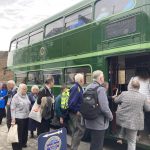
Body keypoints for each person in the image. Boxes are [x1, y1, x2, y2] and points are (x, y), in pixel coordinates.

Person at [114, 79, 150, 150]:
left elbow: (116, 101)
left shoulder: (124, 93)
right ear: (138, 87)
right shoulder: (143, 97)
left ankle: (120, 138)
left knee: (125, 128)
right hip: (134, 123)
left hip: (123, 120)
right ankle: (121, 138)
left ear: (130, 86)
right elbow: (148, 109)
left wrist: (115, 97)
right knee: (132, 142)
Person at [84, 70, 113, 150]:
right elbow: (105, 108)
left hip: (89, 121)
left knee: (94, 144)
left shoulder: (88, 87)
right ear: (100, 78)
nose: (103, 78)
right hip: (99, 123)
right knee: (97, 146)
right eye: (103, 76)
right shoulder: (101, 89)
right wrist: (111, 117)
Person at [128, 67, 150, 138]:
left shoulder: (133, 79)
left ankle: (137, 135)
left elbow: (129, 89)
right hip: (147, 101)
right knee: (148, 118)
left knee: (137, 118)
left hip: (137, 100)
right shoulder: (148, 79)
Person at [11, 83, 31, 150]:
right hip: (18, 118)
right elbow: (12, 108)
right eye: (23, 89)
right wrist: (13, 119)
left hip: (26, 117)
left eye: (26, 89)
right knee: (18, 134)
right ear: (19, 89)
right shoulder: (15, 97)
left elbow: (28, 104)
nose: (25, 90)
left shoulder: (26, 95)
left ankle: (23, 144)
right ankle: (17, 148)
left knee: (24, 133)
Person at [68, 73, 85, 150]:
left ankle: (73, 148)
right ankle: (74, 148)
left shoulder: (78, 87)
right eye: (83, 79)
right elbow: (71, 104)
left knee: (76, 131)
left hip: (76, 113)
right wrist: (76, 111)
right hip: (75, 114)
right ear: (81, 80)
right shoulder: (76, 88)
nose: (84, 81)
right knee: (79, 131)